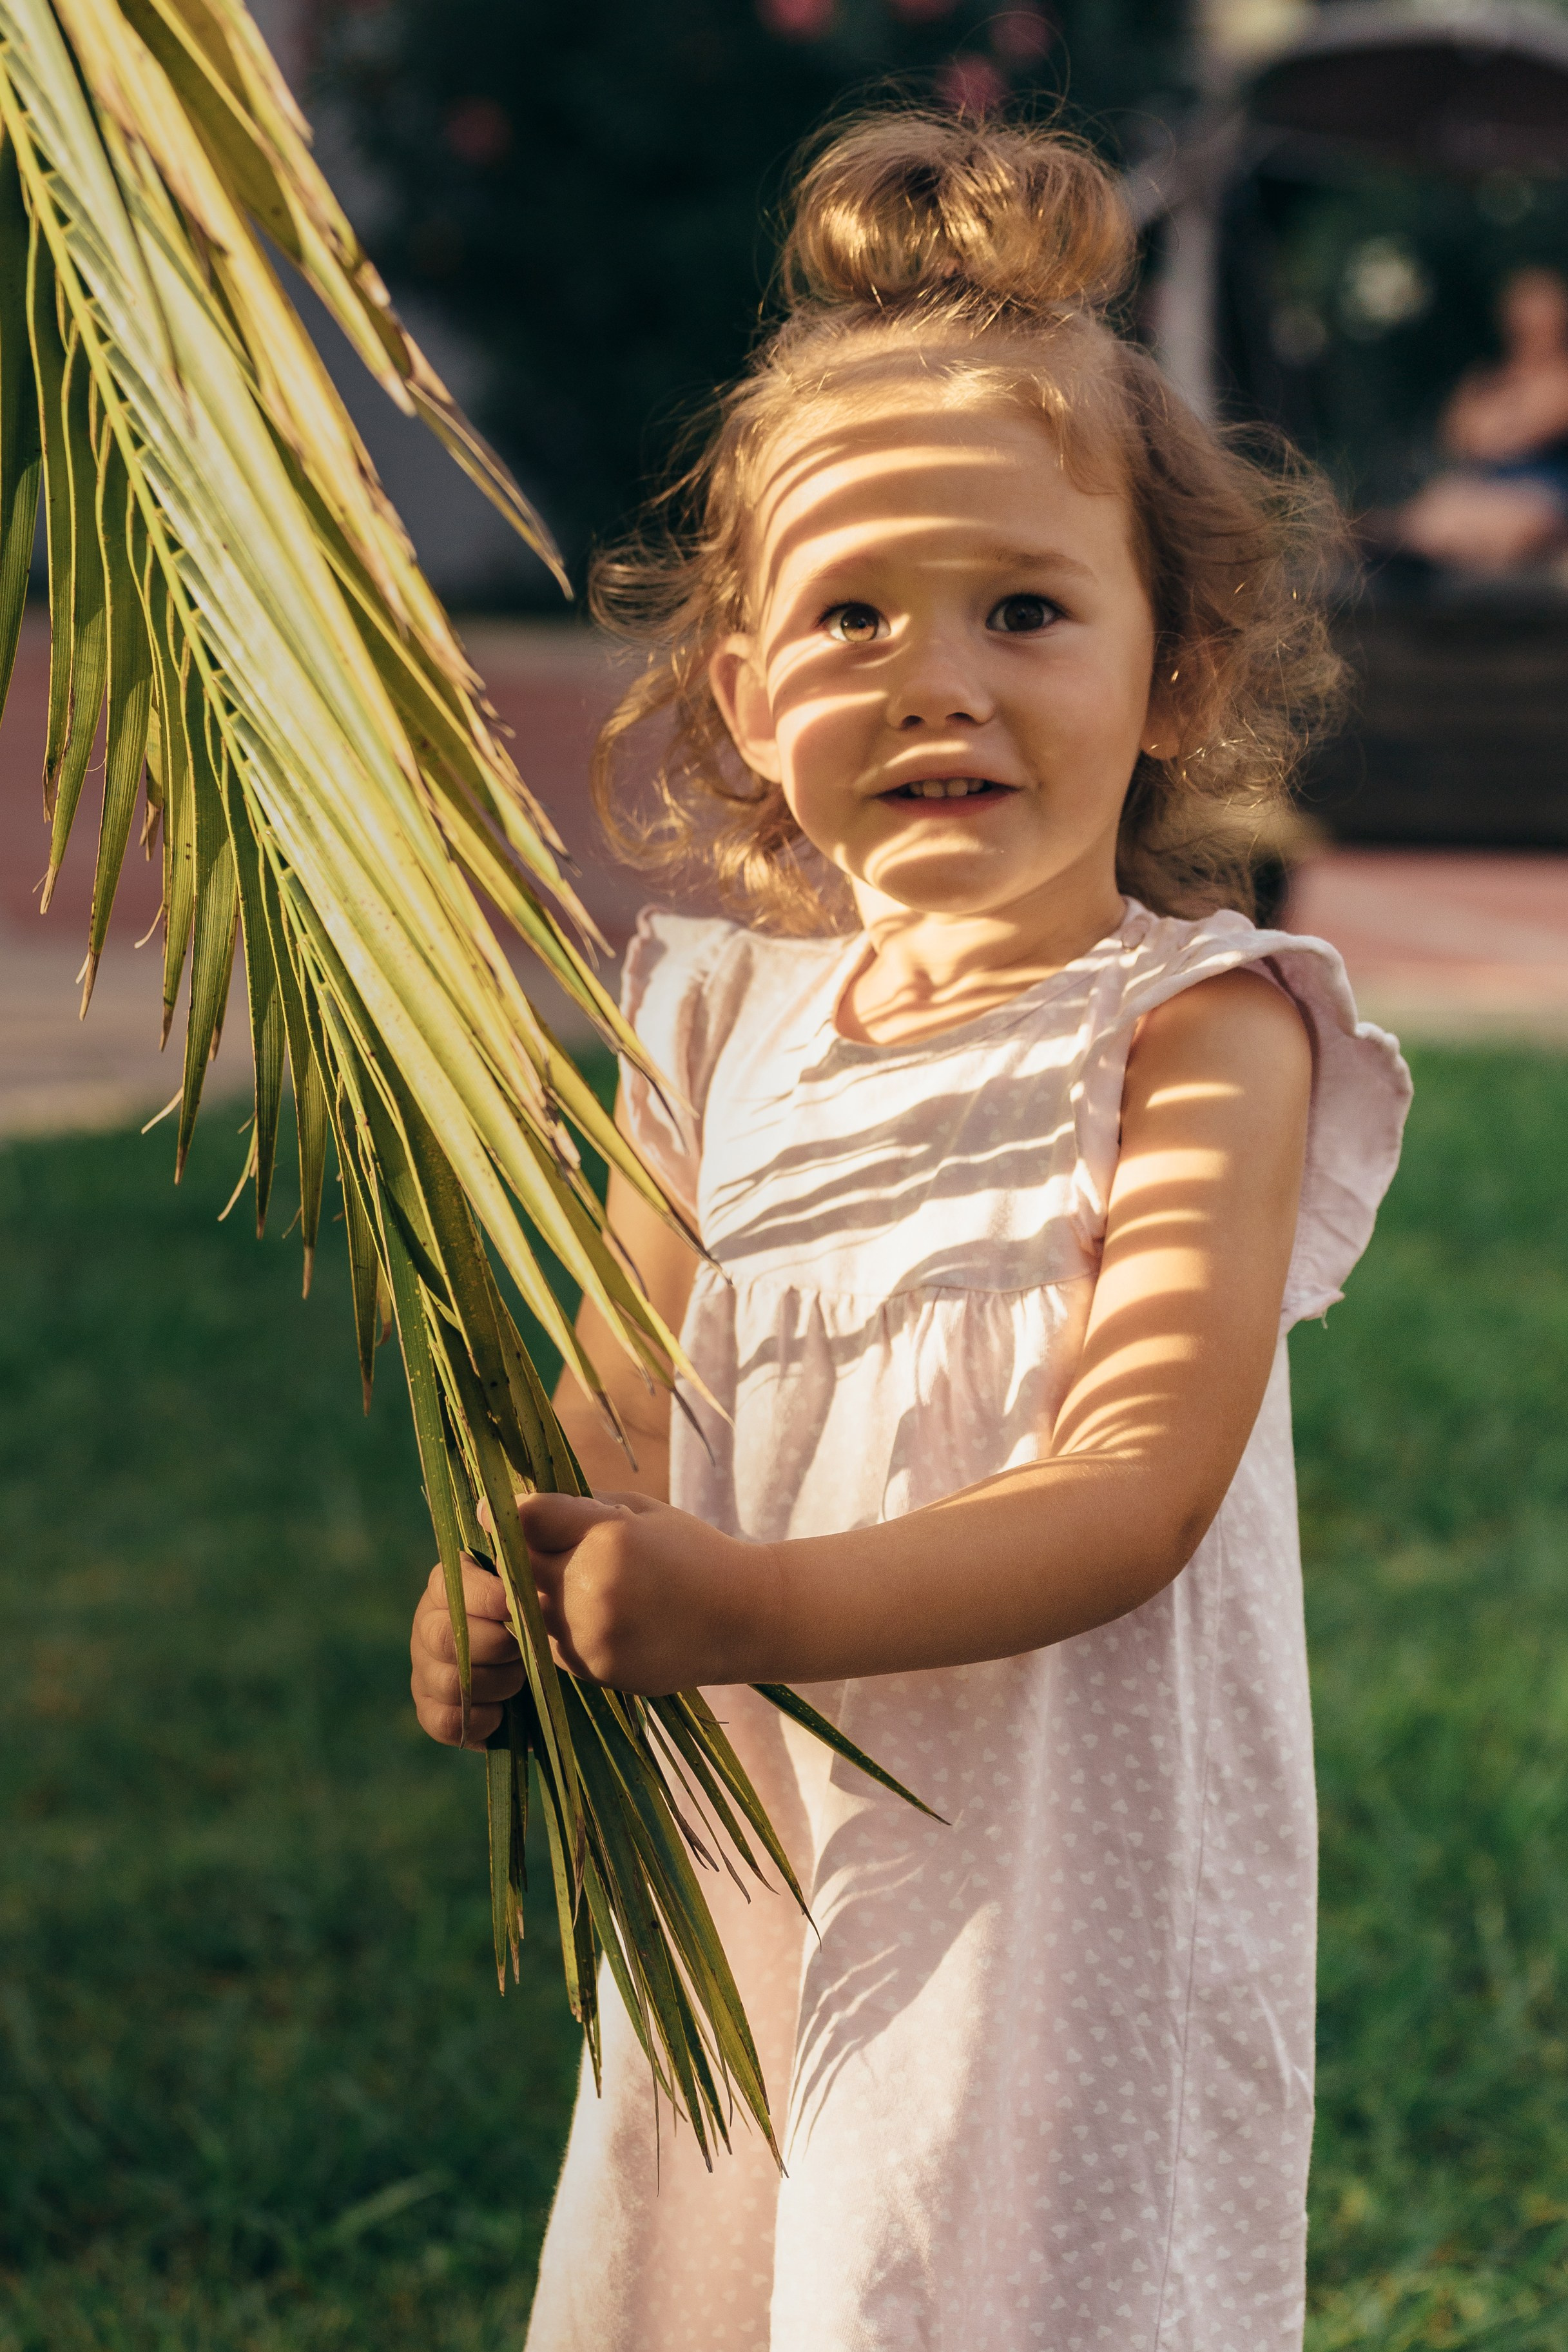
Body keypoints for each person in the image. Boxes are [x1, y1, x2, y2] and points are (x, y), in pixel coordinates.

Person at [409, 111, 1411, 2352]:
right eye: (851, 614)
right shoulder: (710, 1009)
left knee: (980, 2262)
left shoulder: (1202, 1030)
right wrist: (519, 1573)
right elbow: (616, 1381)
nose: (934, 677)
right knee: (752, 2236)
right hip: (759, 1818)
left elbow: (1136, 1481)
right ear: (757, 700)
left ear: (1170, 680)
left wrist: (751, 1595)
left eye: (1026, 610)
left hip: (1053, 1860)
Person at [1381, 266, 1568, 574]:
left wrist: (1499, 422)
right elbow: (1458, 437)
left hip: (1546, 495)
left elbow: (1526, 431)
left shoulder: (1558, 377)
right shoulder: (1490, 378)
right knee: (1436, 508)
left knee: (1503, 521)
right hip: (1485, 485)